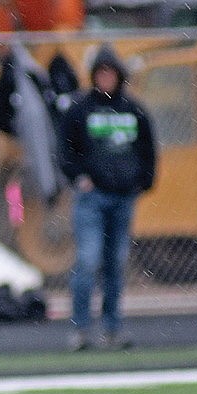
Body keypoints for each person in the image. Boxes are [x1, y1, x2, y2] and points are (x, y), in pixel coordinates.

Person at [59, 44, 156, 351]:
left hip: (122, 197)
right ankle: (81, 329)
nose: (105, 78)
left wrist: (144, 181)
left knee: (115, 262)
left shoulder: (133, 110)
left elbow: (147, 150)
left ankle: (112, 328)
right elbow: (65, 150)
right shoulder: (80, 110)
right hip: (92, 198)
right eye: (100, 72)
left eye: (110, 72)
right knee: (88, 260)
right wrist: (78, 177)